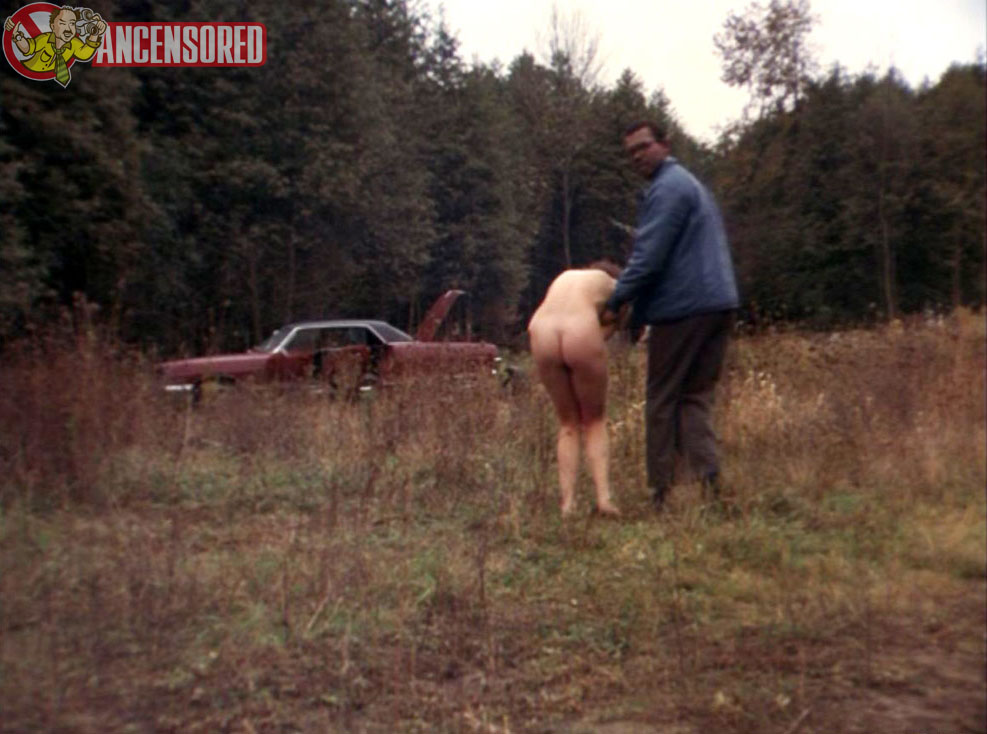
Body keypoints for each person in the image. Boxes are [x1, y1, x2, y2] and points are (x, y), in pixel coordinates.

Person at [600, 121, 739, 511]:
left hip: (684, 308)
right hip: (719, 303)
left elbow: (649, 259)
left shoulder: (667, 189)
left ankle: (661, 493)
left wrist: (616, 300)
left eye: (643, 147)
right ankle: (711, 488)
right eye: (631, 153)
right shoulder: (689, 184)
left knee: (661, 399)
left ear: (665, 144)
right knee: (694, 397)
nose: (637, 157)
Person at [528, 261, 626, 518]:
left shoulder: (567, 277)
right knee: (594, 420)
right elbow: (612, 323)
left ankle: (568, 504)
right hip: (579, 328)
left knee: (567, 422)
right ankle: (603, 499)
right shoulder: (613, 284)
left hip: (541, 328)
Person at [5, 6, 106, 88]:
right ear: (53, 27)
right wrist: (17, 36)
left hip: (51, 86)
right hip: (26, 76)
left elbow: (85, 54)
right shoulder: (45, 38)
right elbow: (27, 48)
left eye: (72, 24)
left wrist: (95, 33)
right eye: (62, 23)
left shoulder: (74, 43)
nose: (68, 29)